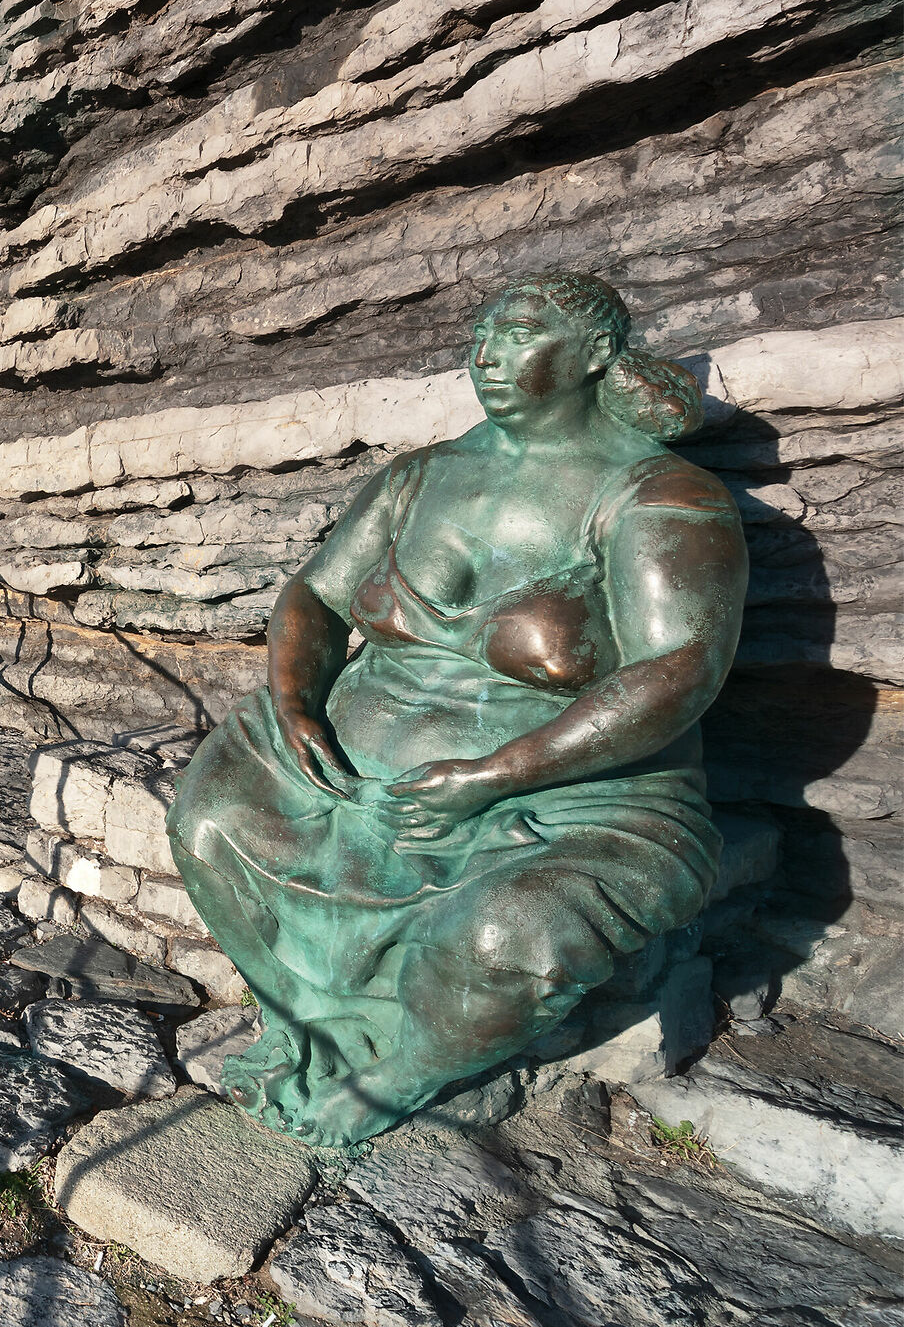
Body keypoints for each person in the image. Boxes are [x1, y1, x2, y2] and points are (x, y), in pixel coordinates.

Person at [166, 272, 747, 1146]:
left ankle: (397, 1074)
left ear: (595, 352)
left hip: (569, 794)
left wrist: (492, 775)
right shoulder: (421, 475)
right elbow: (314, 597)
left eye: (517, 335)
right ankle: (302, 1020)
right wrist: (294, 703)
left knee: (506, 934)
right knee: (208, 818)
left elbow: (679, 671)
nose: (487, 357)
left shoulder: (660, 494)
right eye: (480, 337)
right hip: (347, 762)